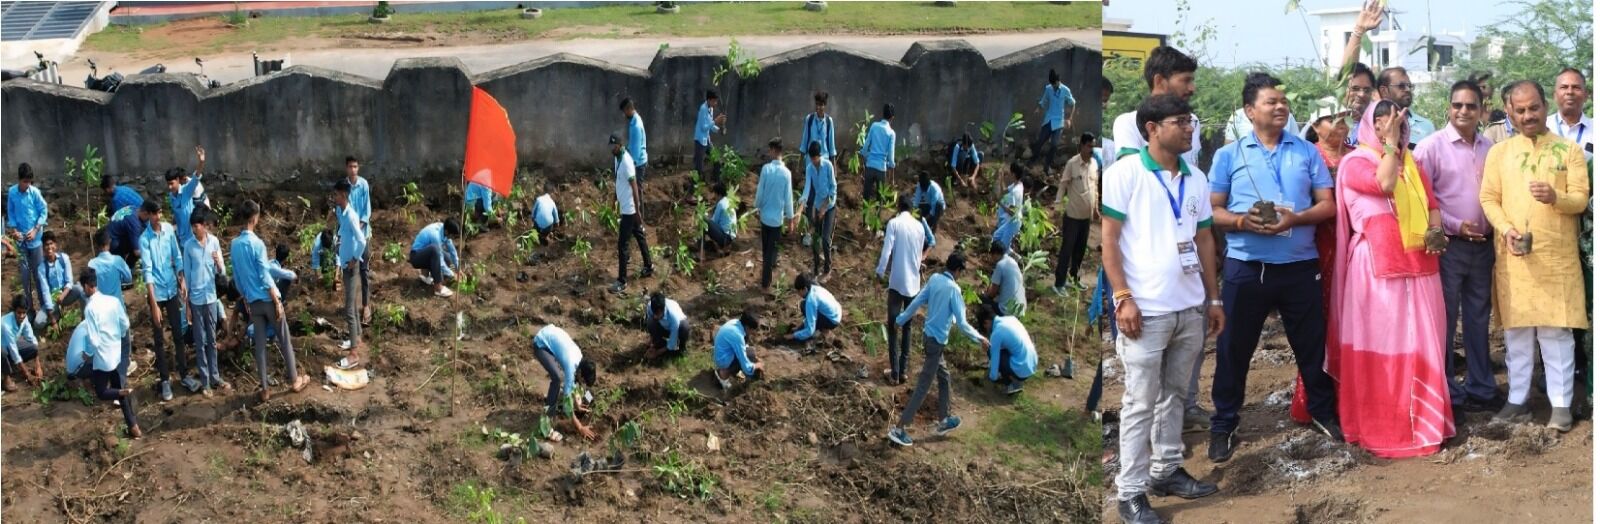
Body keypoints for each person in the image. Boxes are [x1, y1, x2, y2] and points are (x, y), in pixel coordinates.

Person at [1207, 73, 1342, 462]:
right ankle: (1225, 423)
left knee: (1311, 345)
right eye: (1271, 102)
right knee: (1233, 348)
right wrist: (1240, 222)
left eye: (1284, 101)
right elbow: (1212, 210)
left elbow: (1327, 205)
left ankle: (1321, 411)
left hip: (1299, 265)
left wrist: (1294, 219)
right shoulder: (1229, 155)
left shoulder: (1306, 151)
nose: (1281, 107)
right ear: (1250, 111)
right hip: (1246, 266)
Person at [1104, 94, 1224, 524]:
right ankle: (1130, 492)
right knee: (1140, 401)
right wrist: (1123, 297)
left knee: (1175, 395)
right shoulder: (1125, 173)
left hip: (1189, 307)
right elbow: (1109, 241)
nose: (1190, 127)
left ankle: (1167, 470)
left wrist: (1212, 299)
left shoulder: (1196, 178)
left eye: (1191, 120)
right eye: (1181, 121)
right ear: (1152, 128)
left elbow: (1204, 240)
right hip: (1145, 312)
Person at [1325, 97, 1455, 458]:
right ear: (1370, 125)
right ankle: (1385, 428)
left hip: (1420, 266)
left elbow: (1432, 206)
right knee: (1384, 347)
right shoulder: (1354, 163)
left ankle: (1425, 426)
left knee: (1423, 344)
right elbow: (1384, 184)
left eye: (1396, 120)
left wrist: (1435, 232)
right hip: (1376, 271)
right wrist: (1389, 145)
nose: (1389, 125)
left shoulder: (1412, 165)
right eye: (1381, 120)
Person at [1480, 80, 1590, 431]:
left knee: (1555, 333)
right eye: (1521, 110)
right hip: (1514, 255)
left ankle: (1560, 406)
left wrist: (1556, 197)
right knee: (1517, 333)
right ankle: (1518, 400)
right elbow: (1489, 199)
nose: (1529, 115)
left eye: (1534, 108)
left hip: (1556, 258)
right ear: (1509, 112)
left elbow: (1581, 199)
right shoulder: (1499, 153)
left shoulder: (1568, 151)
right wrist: (1506, 228)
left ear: (1546, 106)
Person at [1415, 81, 1501, 414]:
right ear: (1448, 108)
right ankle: (1447, 390)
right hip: (1449, 247)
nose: (1463, 111)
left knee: (1480, 318)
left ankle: (1481, 386)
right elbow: (1421, 200)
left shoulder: (1489, 148)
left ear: (1482, 109)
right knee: (1446, 320)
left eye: (1470, 106)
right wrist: (1453, 224)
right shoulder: (1430, 147)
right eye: (1457, 105)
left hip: (1484, 247)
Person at [888, 250, 988, 447]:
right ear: (958, 270)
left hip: (929, 339)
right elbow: (962, 323)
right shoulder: (954, 290)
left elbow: (917, 301)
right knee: (923, 386)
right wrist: (980, 338)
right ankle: (899, 428)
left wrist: (900, 319)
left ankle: (944, 419)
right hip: (937, 343)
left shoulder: (934, 279)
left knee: (944, 377)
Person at [234, 200, 308, 398]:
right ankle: (294, 380)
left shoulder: (234, 245)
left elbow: (238, 278)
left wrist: (247, 298)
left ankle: (265, 388)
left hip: (253, 303)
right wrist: (276, 301)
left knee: (259, 345)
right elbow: (264, 274)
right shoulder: (257, 244)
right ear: (254, 218)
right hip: (267, 299)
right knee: (284, 339)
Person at [1112, 46, 1201, 167]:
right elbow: (1130, 173)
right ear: (1159, 81)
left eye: (1192, 81)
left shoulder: (1193, 121)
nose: (1192, 88)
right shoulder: (1127, 123)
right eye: (1186, 80)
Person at [78, 268, 141, 438]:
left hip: (104, 357)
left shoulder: (90, 308)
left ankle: (125, 392)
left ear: (86, 286)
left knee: (101, 391)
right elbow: (125, 324)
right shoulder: (113, 301)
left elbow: (94, 339)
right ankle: (134, 427)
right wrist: (117, 337)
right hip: (116, 352)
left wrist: (88, 354)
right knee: (117, 387)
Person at [138, 201, 190, 399]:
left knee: (178, 333)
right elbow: (148, 272)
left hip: (171, 289)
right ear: (148, 216)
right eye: (154, 214)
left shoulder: (168, 230)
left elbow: (177, 256)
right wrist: (153, 304)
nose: (158, 217)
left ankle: (184, 374)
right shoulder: (145, 239)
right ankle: (165, 380)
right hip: (157, 293)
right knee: (159, 339)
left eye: (160, 213)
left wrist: (181, 278)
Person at [876, 196, 930, 386]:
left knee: (892, 327)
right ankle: (904, 370)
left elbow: (887, 250)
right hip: (913, 285)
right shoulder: (920, 227)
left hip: (897, 283)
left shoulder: (894, 223)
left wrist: (880, 272)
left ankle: (895, 373)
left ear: (899, 208)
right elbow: (919, 254)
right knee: (907, 326)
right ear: (911, 209)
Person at [181, 209, 227, 396]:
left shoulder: (214, 242)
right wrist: (188, 305)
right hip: (196, 299)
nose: (194, 229)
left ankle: (215, 376)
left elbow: (222, 272)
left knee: (212, 338)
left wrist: (217, 263)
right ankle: (205, 380)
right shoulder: (189, 246)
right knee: (200, 340)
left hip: (211, 298)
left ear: (204, 226)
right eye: (192, 226)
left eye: (196, 226)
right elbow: (188, 277)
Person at [532, 325, 598, 440]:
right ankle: (546, 426)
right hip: (541, 342)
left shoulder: (579, 357)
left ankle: (551, 409)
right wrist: (580, 427)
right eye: (582, 380)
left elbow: (572, 383)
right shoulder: (570, 366)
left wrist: (577, 404)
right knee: (557, 379)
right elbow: (567, 405)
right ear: (581, 372)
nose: (581, 383)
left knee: (563, 379)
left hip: (551, 333)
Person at [1054, 133, 1100, 294]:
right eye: (1089, 146)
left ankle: (1074, 279)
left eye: (1093, 146)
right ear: (1081, 146)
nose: (1091, 149)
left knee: (1080, 251)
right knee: (1067, 250)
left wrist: (1095, 209)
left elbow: (1095, 188)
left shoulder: (1094, 164)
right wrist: (1058, 205)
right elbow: (1063, 185)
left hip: (1085, 218)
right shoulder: (1072, 164)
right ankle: (1059, 283)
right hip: (1072, 217)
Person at [609, 134, 653, 293]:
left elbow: (635, 187)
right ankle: (649, 266)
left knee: (622, 245)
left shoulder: (627, 161)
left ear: (620, 145)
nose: (612, 149)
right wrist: (614, 199)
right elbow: (618, 181)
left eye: (614, 146)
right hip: (625, 206)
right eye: (610, 146)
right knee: (639, 235)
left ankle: (622, 281)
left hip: (629, 209)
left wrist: (637, 210)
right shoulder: (617, 159)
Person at [7, 162, 48, 322]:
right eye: (24, 181)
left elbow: (43, 210)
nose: (27, 185)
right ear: (19, 180)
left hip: (35, 240)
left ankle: (45, 305)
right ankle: (30, 309)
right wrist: (14, 231)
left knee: (39, 275)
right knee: (25, 278)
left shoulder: (35, 193)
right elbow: (11, 213)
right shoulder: (12, 193)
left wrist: (36, 229)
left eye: (29, 182)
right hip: (21, 242)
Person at [331, 180, 368, 358]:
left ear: (344, 196)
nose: (334, 197)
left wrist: (355, 259)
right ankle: (357, 338)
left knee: (349, 309)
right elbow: (342, 233)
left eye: (336, 195)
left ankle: (354, 352)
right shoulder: (341, 212)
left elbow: (362, 240)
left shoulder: (352, 216)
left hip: (351, 267)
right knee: (351, 304)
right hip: (345, 266)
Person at [754, 138, 797, 290]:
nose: (769, 153)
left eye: (770, 150)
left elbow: (760, 192)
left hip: (765, 217)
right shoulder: (786, 174)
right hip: (777, 220)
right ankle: (768, 275)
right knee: (772, 249)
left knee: (766, 249)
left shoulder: (766, 169)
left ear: (773, 150)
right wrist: (791, 219)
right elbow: (788, 198)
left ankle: (765, 282)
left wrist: (757, 207)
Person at [339, 156, 373, 325]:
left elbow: (367, 209)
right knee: (349, 270)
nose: (353, 169)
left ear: (358, 168)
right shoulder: (344, 187)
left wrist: (359, 225)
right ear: (346, 168)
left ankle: (366, 306)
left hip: (363, 233)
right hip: (349, 236)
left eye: (356, 166)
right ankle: (352, 307)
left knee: (364, 270)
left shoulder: (364, 185)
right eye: (350, 166)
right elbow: (342, 211)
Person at [799, 141, 837, 276]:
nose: (814, 162)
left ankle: (827, 267)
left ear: (820, 156)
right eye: (812, 159)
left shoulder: (828, 166)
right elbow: (807, 188)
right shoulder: (809, 168)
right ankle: (815, 268)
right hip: (817, 205)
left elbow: (833, 189)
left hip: (829, 206)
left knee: (826, 239)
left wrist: (824, 208)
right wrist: (802, 203)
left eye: (816, 159)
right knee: (816, 238)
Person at [980, 307, 1037, 396]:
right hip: (1032, 364)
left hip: (1022, 369)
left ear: (987, 322)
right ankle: (1015, 376)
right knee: (1001, 350)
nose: (986, 329)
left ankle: (1011, 383)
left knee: (990, 349)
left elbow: (994, 358)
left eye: (985, 326)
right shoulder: (1011, 319)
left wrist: (991, 377)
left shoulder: (997, 333)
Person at [1377, 67, 1436, 146]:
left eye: (1410, 86)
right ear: (1384, 91)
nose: (1408, 89)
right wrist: (1390, 145)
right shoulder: (1374, 124)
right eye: (1401, 86)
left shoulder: (1426, 126)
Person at [1031, 68, 1076, 174]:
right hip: (1049, 119)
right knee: (1040, 141)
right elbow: (1043, 100)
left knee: (1054, 145)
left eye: (1055, 84)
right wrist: (1038, 108)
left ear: (1058, 81)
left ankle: (1047, 166)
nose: (1054, 86)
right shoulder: (1048, 89)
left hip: (1059, 121)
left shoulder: (1065, 90)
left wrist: (1069, 118)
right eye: (1052, 84)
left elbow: (1073, 103)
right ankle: (1032, 161)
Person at [166, 146, 209, 247]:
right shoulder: (171, 196)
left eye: (172, 183)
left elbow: (196, 177)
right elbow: (176, 215)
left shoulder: (186, 190)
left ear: (177, 180)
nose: (170, 187)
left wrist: (201, 161)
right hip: (182, 239)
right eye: (168, 184)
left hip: (193, 237)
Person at [39, 232, 85, 325]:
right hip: (53, 299)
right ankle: (57, 315)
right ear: (43, 248)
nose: (49, 247)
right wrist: (52, 318)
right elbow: (45, 291)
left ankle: (85, 319)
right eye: (46, 245)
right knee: (38, 323)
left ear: (55, 245)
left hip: (66, 294)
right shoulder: (41, 268)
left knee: (80, 289)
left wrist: (63, 295)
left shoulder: (64, 258)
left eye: (51, 243)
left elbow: (69, 281)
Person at [713, 311, 765, 390]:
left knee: (750, 352)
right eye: (753, 330)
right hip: (722, 361)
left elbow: (744, 346)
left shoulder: (735, 322)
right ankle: (723, 375)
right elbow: (746, 367)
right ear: (748, 327)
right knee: (749, 356)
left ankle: (731, 373)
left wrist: (756, 358)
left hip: (720, 355)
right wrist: (757, 365)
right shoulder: (737, 336)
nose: (753, 333)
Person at [409, 219, 461, 298]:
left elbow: (452, 251)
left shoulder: (444, 229)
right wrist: (452, 274)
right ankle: (438, 288)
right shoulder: (435, 235)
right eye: (452, 236)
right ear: (447, 232)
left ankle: (425, 276)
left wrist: (457, 269)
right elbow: (440, 261)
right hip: (416, 257)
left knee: (446, 256)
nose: (452, 238)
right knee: (435, 250)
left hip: (425, 253)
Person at [1548, 68, 1592, 160]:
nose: (1570, 92)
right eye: (1564, 87)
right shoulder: (1541, 127)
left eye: (1576, 87)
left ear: (1586, 95)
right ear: (1555, 95)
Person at [789, 272, 841, 348]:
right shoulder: (814, 287)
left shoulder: (811, 300)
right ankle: (821, 328)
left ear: (805, 289)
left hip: (832, 320)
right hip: (837, 311)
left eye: (798, 291)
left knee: (804, 305)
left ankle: (823, 332)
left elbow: (810, 330)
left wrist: (793, 336)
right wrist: (800, 327)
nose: (798, 294)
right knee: (804, 304)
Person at [3, 295, 41, 392]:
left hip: (8, 347)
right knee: (2, 352)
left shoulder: (25, 319)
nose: (21, 316)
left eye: (24, 313)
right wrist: (27, 374)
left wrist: (38, 365)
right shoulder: (5, 324)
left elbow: (32, 339)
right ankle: (6, 378)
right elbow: (13, 350)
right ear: (14, 311)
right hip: (3, 348)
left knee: (33, 348)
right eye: (19, 313)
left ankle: (10, 364)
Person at [860, 104, 897, 202]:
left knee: (866, 197)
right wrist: (891, 177)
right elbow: (891, 158)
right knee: (879, 198)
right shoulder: (891, 133)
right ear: (892, 118)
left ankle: (864, 217)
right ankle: (878, 216)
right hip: (881, 168)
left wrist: (865, 159)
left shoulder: (874, 126)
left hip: (870, 166)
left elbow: (865, 148)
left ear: (883, 114)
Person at [983, 242, 1026, 318]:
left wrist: (985, 293)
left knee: (983, 301)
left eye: (992, 255)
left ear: (996, 254)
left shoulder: (1000, 265)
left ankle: (991, 324)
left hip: (1007, 311)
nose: (991, 258)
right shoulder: (1012, 262)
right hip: (1020, 309)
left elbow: (992, 293)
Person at [643, 292, 690, 360]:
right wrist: (651, 343)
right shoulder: (650, 306)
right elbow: (651, 322)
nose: (656, 316)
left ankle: (681, 348)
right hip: (663, 327)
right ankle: (658, 343)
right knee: (650, 321)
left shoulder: (674, 316)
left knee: (684, 327)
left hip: (677, 329)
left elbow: (672, 343)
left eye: (659, 314)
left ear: (663, 309)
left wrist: (657, 353)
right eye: (655, 314)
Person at [992, 162, 1026, 251]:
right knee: (996, 236)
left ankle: (1012, 260)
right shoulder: (1018, 184)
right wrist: (1001, 178)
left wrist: (999, 202)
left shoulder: (1015, 192)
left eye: (1010, 172)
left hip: (1013, 222)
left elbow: (1012, 212)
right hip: (1011, 220)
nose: (1009, 174)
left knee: (1003, 247)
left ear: (1014, 174)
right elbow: (1004, 191)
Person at [693, 89, 726, 177]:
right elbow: (704, 128)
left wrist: (719, 129)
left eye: (716, 101)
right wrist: (716, 121)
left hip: (707, 140)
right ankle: (695, 185)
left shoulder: (710, 108)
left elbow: (710, 125)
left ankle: (715, 181)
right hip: (700, 141)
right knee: (698, 167)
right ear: (709, 100)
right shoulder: (703, 109)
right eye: (714, 101)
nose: (715, 103)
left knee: (717, 161)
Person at [622, 97, 650, 188]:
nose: (624, 114)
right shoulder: (635, 120)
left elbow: (636, 148)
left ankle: (638, 203)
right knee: (636, 188)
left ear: (629, 109)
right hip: (638, 161)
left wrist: (632, 165)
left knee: (637, 189)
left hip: (638, 163)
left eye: (624, 111)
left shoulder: (635, 126)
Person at [801, 91, 836, 162]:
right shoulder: (809, 119)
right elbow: (804, 142)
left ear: (825, 105)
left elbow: (831, 147)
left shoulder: (829, 121)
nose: (818, 107)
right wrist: (800, 164)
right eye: (816, 104)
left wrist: (834, 170)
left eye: (820, 105)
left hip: (824, 161)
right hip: (810, 161)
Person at [705, 182, 736, 255]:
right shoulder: (728, 201)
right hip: (730, 237)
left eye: (714, 193)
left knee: (704, 221)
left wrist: (705, 216)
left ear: (718, 194)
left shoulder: (721, 203)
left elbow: (713, 222)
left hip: (725, 238)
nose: (714, 196)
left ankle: (701, 249)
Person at [913, 170, 947, 235]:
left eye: (924, 188)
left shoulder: (935, 189)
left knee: (938, 205)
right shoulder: (920, 185)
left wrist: (924, 219)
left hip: (938, 208)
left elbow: (933, 208)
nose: (922, 190)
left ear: (927, 185)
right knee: (919, 207)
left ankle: (933, 229)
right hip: (928, 204)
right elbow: (916, 201)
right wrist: (913, 213)